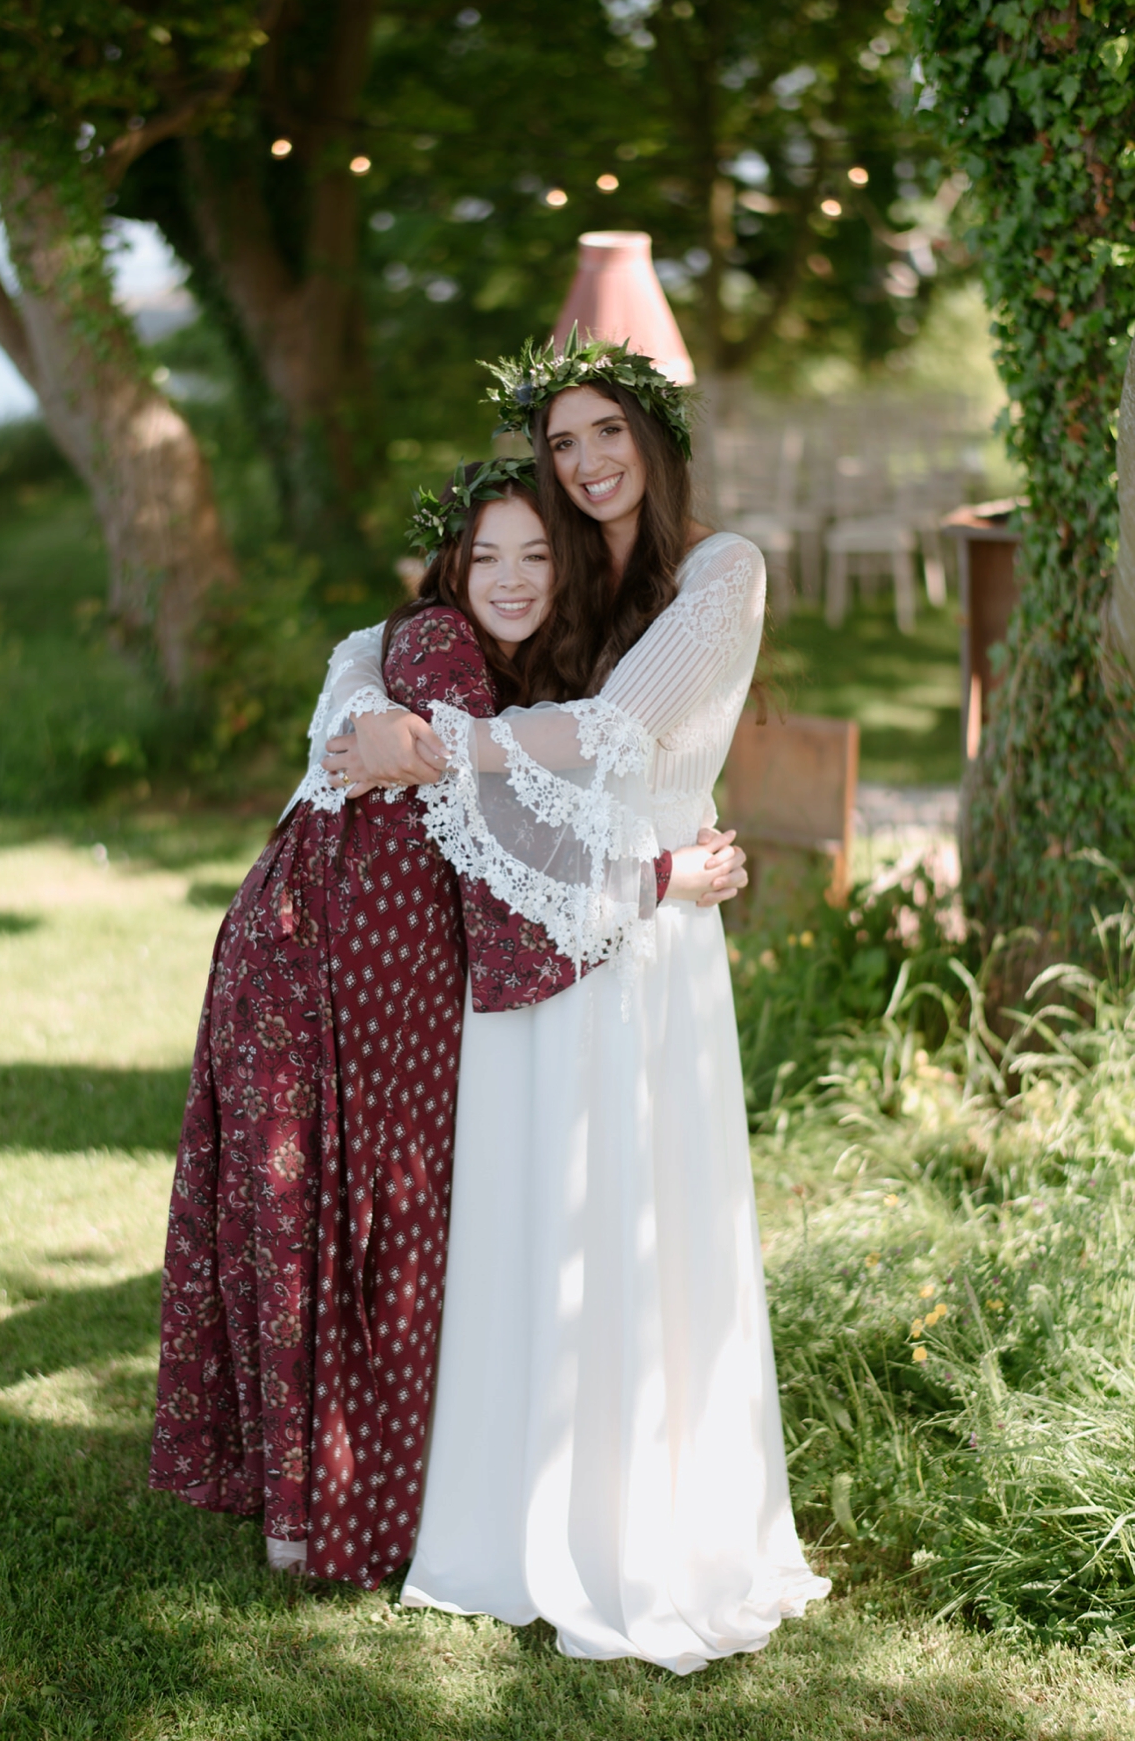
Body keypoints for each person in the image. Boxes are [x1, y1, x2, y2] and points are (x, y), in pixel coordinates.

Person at [322, 332, 830, 1673]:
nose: (588, 462)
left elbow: (614, 738)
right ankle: (499, 1516)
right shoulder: (549, 573)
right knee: (523, 1215)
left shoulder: (723, 572)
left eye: (608, 432)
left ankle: (643, 1526)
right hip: (532, 929)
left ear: (654, 440)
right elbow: (403, 641)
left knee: (636, 1216)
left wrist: (435, 749)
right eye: (563, 444)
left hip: (648, 935)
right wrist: (363, 716)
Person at [149, 456, 742, 1588]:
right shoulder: (435, 648)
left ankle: (330, 1504)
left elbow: (502, 782)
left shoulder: (479, 664)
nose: (513, 579)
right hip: (321, 962)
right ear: (450, 568)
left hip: (378, 963)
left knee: (369, 1219)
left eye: (535, 555)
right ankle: (326, 1517)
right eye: (488, 557)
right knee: (337, 1217)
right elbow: (506, 820)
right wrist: (662, 871)